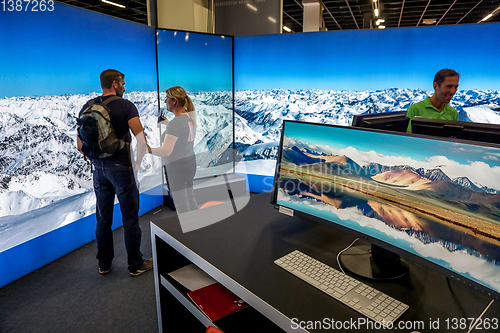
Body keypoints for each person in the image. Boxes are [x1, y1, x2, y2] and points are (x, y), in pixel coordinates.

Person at [77, 69, 153, 276]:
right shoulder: (126, 106)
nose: (125, 87)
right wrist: (136, 163)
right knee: (130, 218)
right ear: (115, 83)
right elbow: (141, 138)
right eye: (123, 83)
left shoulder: (88, 106)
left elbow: (79, 145)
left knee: (103, 218)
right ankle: (135, 264)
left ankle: (104, 264)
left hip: (98, 170)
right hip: (122, 168)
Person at [148, 86, 198, 214]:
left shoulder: (176, 123)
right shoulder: (189, 117)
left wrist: (147, 149)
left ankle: (189, 230)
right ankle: (198, 227)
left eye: (167, 98)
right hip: (190, 163)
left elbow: (166, 151)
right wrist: (168, 124)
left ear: (174, 100)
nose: (165, 101)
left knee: (181, 205)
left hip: (177, 167)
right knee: (190, 198)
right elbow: (183, 136)